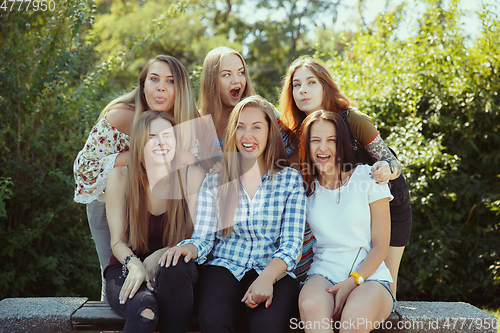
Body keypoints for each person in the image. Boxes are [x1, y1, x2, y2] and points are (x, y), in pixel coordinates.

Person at [162, 95, 306, 333]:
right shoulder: (216, 180)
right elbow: (204, 238)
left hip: (272, 269)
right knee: (213, 323)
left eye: (256, 127)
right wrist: (188, 247)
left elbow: (292, 245)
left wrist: (267, 278)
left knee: (268, 327)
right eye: (240, 127)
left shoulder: (290, 181)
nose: (247, 135)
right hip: (225, 266)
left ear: (270, 132)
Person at [279, 56, 412, 295]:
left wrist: (386, 170)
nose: (302, 90)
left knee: (385, 284)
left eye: (310, 83)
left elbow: (394, 163)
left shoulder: (353, 120)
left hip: (387, 201)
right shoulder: (294, 131)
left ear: (325, 86)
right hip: (345, 211)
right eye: (296, 85)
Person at [73, 55, 200, 301]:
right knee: (114, 271)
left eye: (170, 81)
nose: (161, 87)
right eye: (154, 79)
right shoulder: (121, 117)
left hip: (162, 205)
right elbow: (84, 168)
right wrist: (139, 155)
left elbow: (201, 165)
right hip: (111, 198)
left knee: (160, 273)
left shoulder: (188, 119)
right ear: (143, 85)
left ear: (181, 88)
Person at [104, 111, 205, 333]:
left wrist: (162, 254)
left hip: (176, 271)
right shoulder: (120, 177)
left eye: (167, 135)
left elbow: (199, 238)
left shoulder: (192, 177)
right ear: (139, 142)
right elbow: (117, 242)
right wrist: (135, 265)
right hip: (127, 266)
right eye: (151, 136)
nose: (160, 142)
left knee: (175, 269)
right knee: (144, 310)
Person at [298, 110, 395, 333]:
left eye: (331, 140)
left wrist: (353, 281)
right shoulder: (304, 189)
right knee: (311, 307)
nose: (323, 148)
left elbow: (381, 245)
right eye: (315, 141)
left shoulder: (368, 178)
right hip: (323, 274)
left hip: (370, 276)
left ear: (341, 143)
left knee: (355, 319)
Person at [199, 46, 294, 155]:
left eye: (241, 72)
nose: (236, 80)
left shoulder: (265, 112)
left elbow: (294, 153)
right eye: (226, 74)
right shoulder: (197, 123)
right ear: (211, 81)